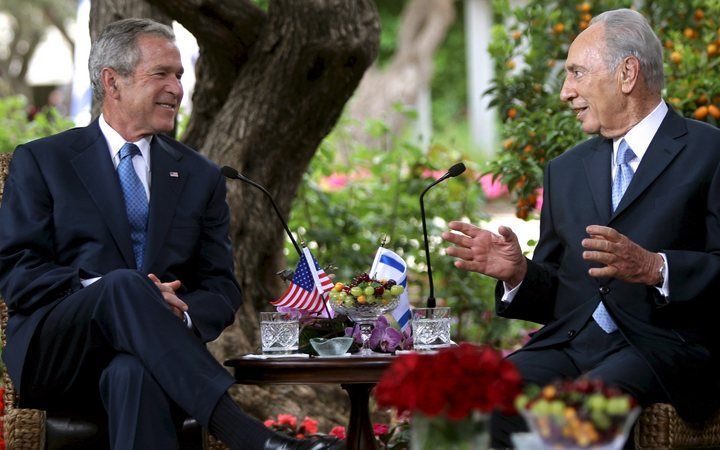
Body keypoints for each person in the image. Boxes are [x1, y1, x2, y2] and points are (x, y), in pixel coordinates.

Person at [0, 18, 341, 450]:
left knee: (134, 373)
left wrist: (176, 315)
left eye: (179, 75)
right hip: (59, 354)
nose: (177, 88)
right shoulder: (43, 161)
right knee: (124, 284)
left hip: (157, 359)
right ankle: (249, 436)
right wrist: (115, 292)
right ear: (112, 82)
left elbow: (220, 288)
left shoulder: (200, 175)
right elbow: (18, 273)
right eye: (161, 73)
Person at [442, 8, 720, 447]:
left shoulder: (710, 150)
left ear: (627, 73)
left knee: (581, 416)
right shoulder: (565, 170)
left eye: (576, 73)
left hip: (661, 349)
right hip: (570, 345)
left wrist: (656, 268)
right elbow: (562, 292)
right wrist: (517, 274)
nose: (565, 92)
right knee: (482, 398)